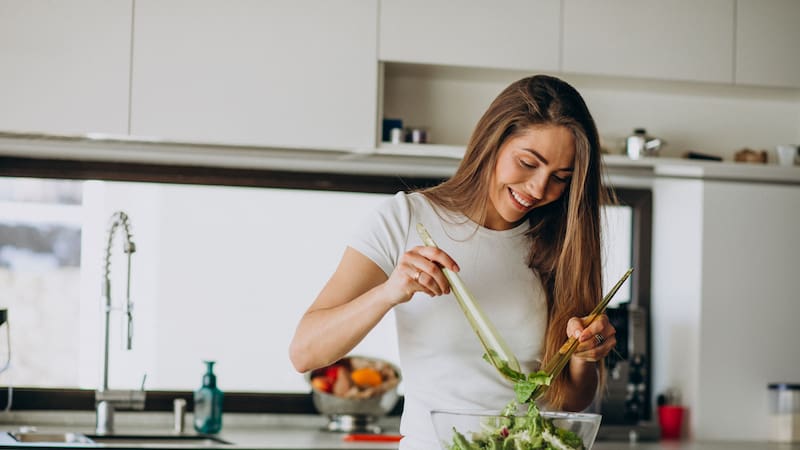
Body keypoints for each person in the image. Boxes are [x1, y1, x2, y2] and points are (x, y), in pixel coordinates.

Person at [289, 74, 617, 449]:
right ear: (492, 143)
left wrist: (583, 357)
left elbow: (569, 400)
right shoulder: (406, 219)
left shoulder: (561, 243)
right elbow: (305, 352)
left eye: (560, 178)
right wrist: (388, 292)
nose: (539, 189)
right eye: (527, 163)